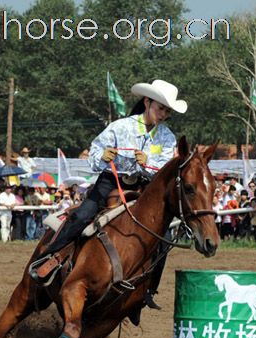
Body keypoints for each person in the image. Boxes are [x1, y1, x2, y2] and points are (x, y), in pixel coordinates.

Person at [33, 79, 187, 307]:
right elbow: (95, 153)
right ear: (147, 102)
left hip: (144, 188)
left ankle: (147, 292)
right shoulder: (120, 127)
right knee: (83, 215)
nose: (163, 114)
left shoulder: (167, 137)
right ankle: (51, 258)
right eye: (160, 108)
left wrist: (149, 164)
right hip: (111, 181)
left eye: (166, 111)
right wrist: (103, 157)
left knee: (162, 240)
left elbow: (164, 170)